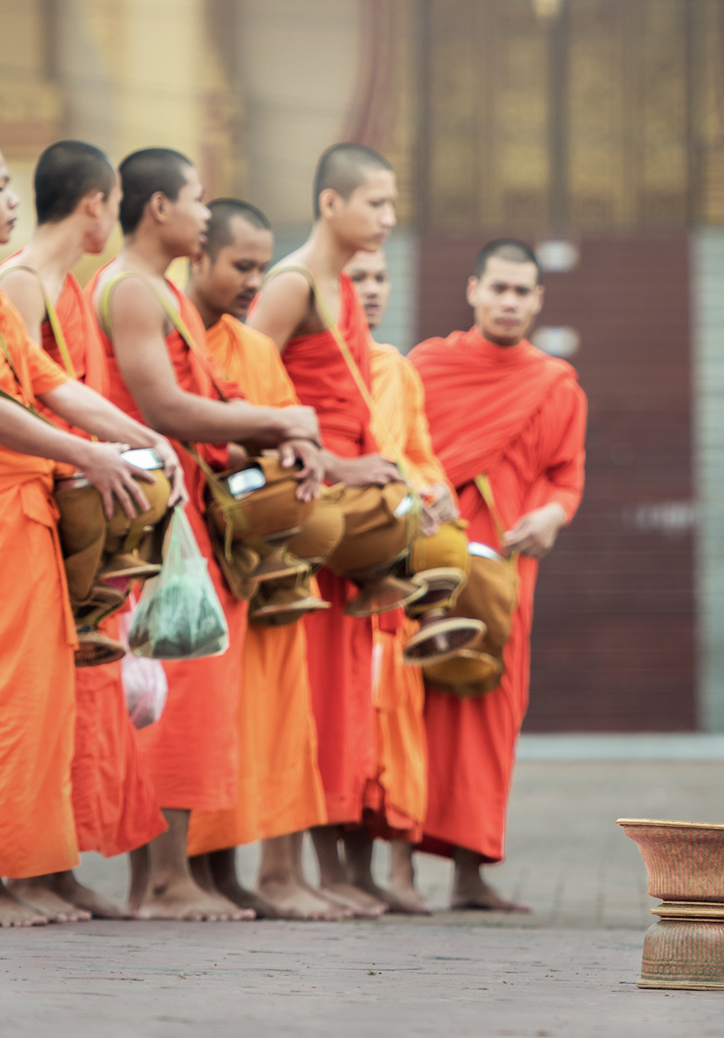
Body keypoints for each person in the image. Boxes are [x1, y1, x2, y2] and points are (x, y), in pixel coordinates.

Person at [0, 132, 178, 927]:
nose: (14, 200)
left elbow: (55, 385)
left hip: (25, 516)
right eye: (0, 185)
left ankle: (40, 868)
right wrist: (90, 454)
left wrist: (146, 443)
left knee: (40, 706)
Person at [89, 147, 324, 920]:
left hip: (183, 513)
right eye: (196, 199)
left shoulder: (161, 293)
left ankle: (165, 878)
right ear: (158, 208)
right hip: (154, 523)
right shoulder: (130, 288)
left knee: (184, 693)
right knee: (172, 692)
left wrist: (269, 442)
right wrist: (278, 419)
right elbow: (163, 407)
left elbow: (202, 407)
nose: (202, 211)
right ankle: (161, 883)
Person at [0, 140, 169, 922]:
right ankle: (23, 871)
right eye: (113, 202)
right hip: (34, 508)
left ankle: (59, 867)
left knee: (81, 706)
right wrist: (90, 458)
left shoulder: (71, 286)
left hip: (79, 507)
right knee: (33, 704)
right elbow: (16, 403)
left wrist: (142, 445)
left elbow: (70, 391)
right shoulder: (21, 283)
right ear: (96, 202)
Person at [181, 198, 351, 921]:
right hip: (198, 548)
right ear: (197, 256)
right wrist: (264, 441)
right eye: (241, 266)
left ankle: (257, 874)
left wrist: (304, 455)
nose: (255, 280)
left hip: (266, 561)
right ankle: (199, 875)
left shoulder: (250, 346)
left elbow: (287, 418)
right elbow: (173, 418)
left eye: (261, 265)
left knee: (273, 720)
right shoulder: (173, 330)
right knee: (203, 714)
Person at [248, 143, 406, 917]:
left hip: (342, 525)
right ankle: (276, 873)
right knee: (291, 697)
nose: (389, 218)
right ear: (329, 204)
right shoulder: (289, 283)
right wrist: (338, 470)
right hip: (302, 513)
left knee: (331, 702)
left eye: (391, 203)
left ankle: (305, 869)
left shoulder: (340, 288)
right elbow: (244, 390)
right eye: (376, 202)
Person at [409, 239, 586, 911]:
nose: (509, 302)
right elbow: (397, 448)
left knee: (491, 710)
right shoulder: (427, 365)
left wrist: (552, 517)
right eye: (499, 288)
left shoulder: (555, 382)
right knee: (415, 700)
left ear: (539, 300)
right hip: (431, 559)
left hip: (508, 569)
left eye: (522, 292)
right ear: (473, 290)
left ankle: (469, 872)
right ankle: (397, 867)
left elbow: (566, 475)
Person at [346, 246, 455, 914]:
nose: (372, 289)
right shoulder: (310, 358)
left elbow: (418, 452)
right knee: (351, 723)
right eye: (356, 278)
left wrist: (434, 489)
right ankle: (349, 870)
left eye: (381, 277)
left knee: (402, 725)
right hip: (347, 564)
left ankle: (401, 871)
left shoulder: (396, 369)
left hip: (399, 568)